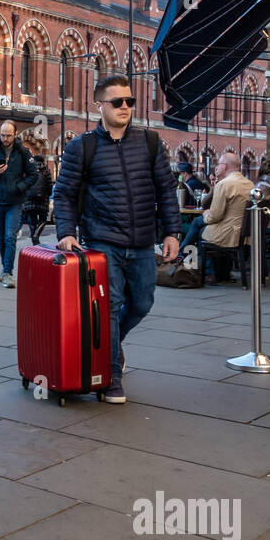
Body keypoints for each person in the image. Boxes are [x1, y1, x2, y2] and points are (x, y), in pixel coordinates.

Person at [52, 75, 181, 403]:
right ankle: (111, 377)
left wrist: (172, 232)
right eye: (117, 102)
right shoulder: (82, 147)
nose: (125, 107)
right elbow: (65, 194)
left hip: (141, 242)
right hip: (102, 240)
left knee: (142, 303)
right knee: (108, 308)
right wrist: (66, 233)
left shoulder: (150, 142)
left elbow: (166, 190)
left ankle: (110, 345)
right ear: (100, 106)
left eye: (130, 101)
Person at [0, 120, 37, 287]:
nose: (5, 138)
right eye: (2, 135)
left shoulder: (23, 152)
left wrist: (20, 187)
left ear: (15, 134)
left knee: (10, 236)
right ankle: (4, 268)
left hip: (15, 201)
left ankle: (8, 273)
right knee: (0, 237)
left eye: (8, 135)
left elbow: (33, 175)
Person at [197, 151, 254, 281]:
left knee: (202, 231)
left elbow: (215, 216)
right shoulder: (249, 184)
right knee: (207, 229)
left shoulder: (224, 184)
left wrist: (206, 214)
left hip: (228, 234)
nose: (218, 166)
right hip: (244, 235)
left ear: (224, 166)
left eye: (219, 164)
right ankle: (223, 273)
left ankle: (209, 273)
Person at [22, 154, 53, 242]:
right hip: (43, 199)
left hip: (29, 199)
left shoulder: (28, 169)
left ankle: (33, 235)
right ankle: (37, 234)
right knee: (43, 219)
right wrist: (48, 194)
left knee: (32, 219)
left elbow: (25, 183)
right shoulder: (46, 170)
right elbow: (49, 184)